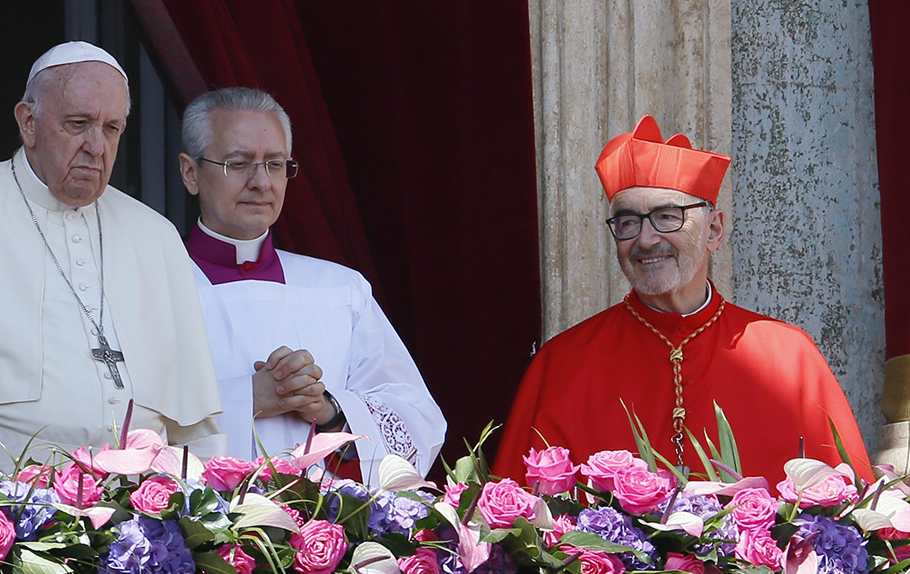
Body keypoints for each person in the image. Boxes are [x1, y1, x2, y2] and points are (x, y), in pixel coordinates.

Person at [493, 115, 871, 484]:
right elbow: (517, 530)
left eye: (667, 216)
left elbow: (849, 524)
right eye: (627, 222)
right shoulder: (563, 364)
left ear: (714, 230)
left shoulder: (790, 358)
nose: (645, 240)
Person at [0, 41, 224, 469]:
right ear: (28, 123)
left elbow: (194, 420)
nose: (97, 147)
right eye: (78, 124)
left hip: (140, 514)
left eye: (112, 128)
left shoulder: (156, 235)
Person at [178, 87, 445, 484]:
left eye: (274, 164)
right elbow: (117, 421)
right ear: (190, 173)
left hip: (328, 533)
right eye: (238, 164)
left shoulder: (340, 290)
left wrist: (330, 409)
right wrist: (246, 399)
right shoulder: (147, 288)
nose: (261, 182)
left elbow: (417, 418)